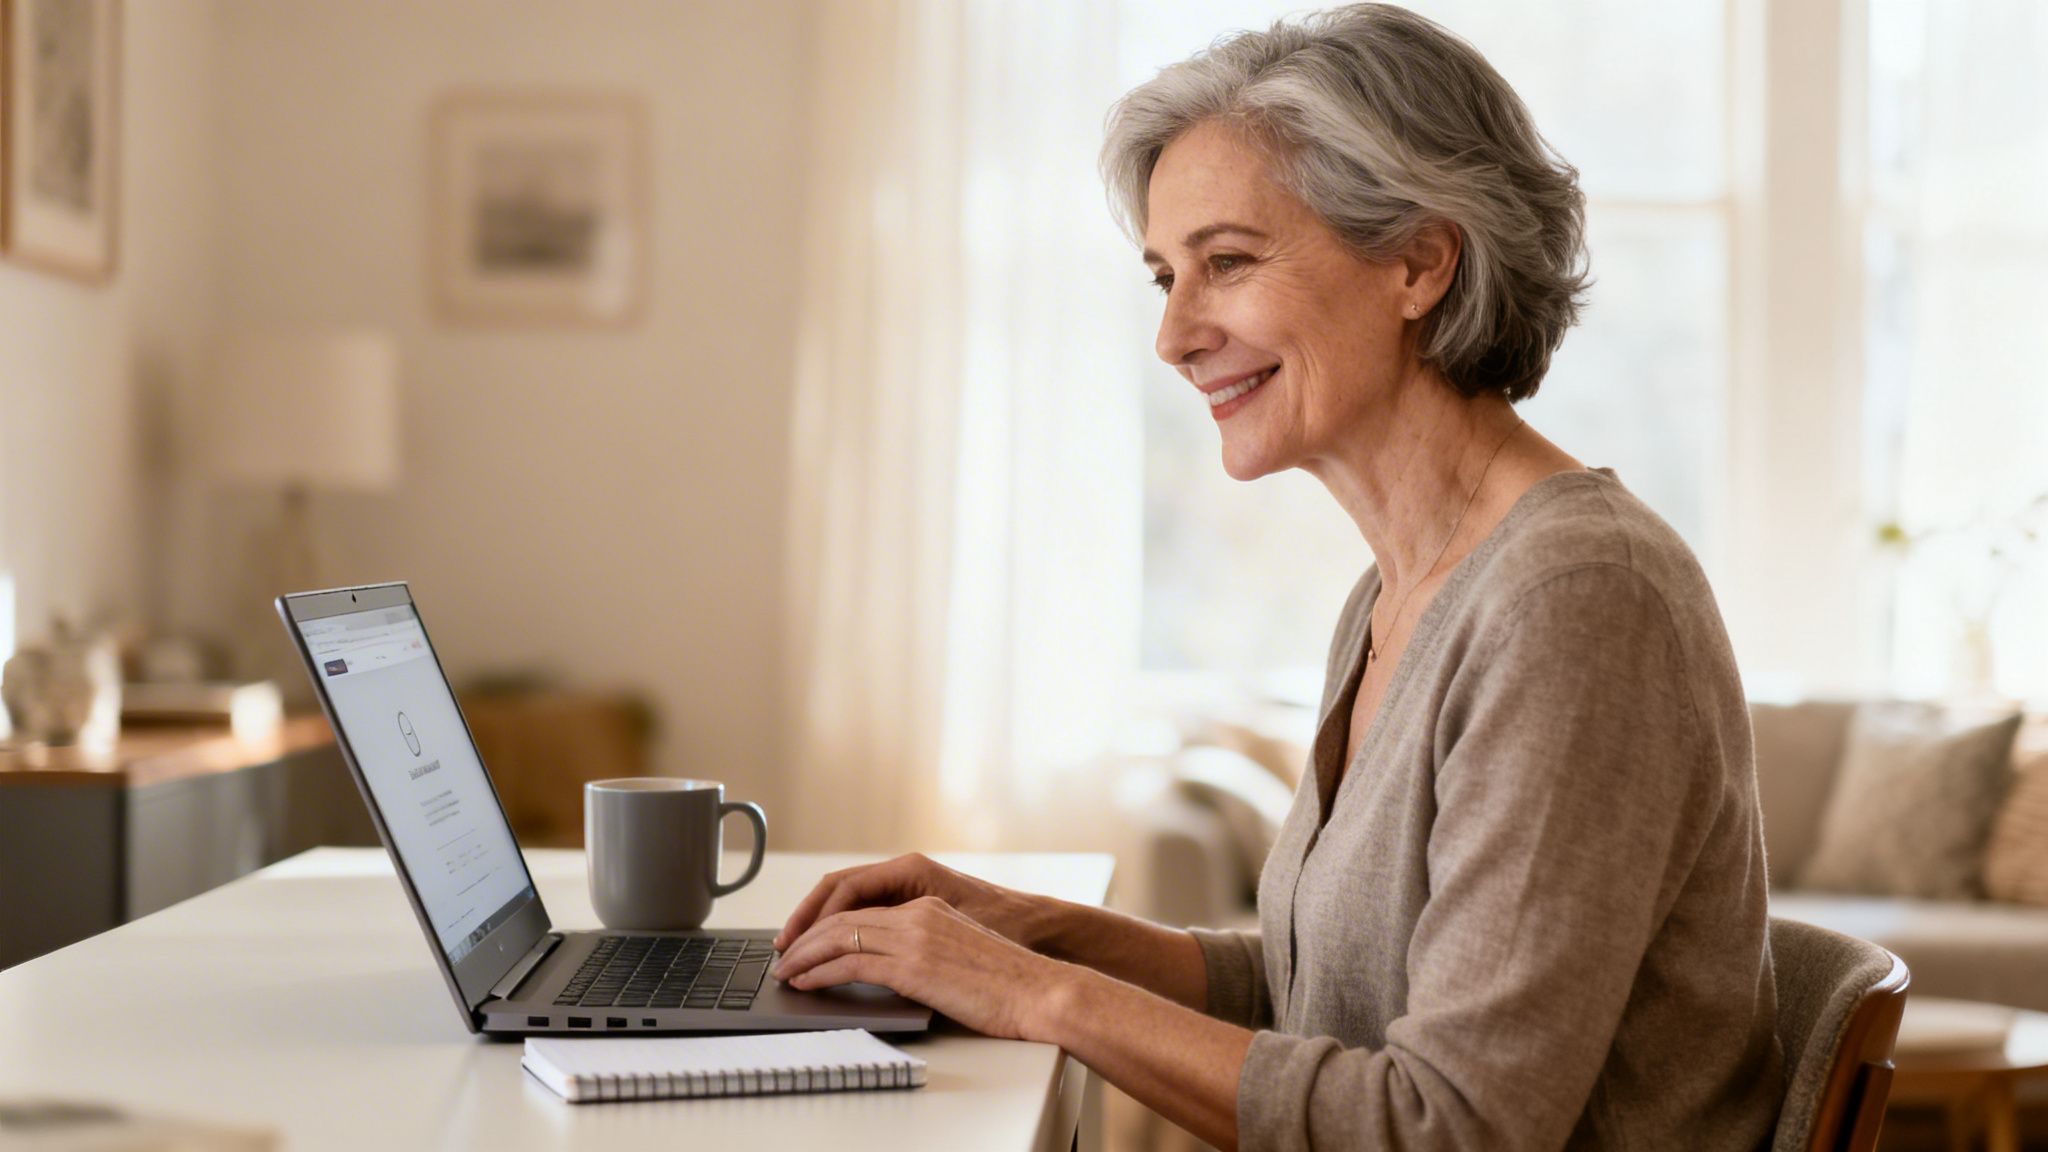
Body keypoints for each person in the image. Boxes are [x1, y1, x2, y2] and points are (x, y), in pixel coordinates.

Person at [772, 5, 1783, 1148]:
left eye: (1229, 263)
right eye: (1164, 275)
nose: (1173, 334)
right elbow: (1327, 996)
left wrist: (1030, 996)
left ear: (1416, 261)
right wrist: (1030, 933)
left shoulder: (1576, 600)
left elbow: (1450, 1127)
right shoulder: (1399, 588)